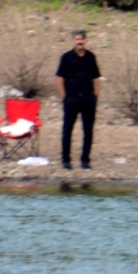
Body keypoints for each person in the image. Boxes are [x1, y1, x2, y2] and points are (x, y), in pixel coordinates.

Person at [53, 30, 102, 170]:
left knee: (88, 131)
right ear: (73, 41)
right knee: (67, 130)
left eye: (81, 39)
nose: (79, 42)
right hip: (71, 99)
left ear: (85, 41)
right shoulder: (66, 57)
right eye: (77, 39)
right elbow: (59, 78)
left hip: (88, 99)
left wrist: (95, 96)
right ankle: (66, 160)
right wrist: (64, 97)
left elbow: (96, 78)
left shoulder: (91, 57)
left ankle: (85, 160)